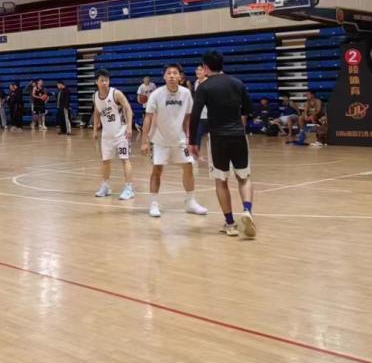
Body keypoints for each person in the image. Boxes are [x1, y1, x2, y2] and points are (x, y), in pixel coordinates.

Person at [190, 52, 256, 238]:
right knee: (244, 177)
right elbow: (249, 109)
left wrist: (193, 141)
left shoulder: (204, 86)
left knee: (221, 181)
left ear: (205, 67)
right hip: (238, 135)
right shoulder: (237, 83)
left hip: (218, 137)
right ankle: (247, 210)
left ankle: (230, 223)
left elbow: (195, 115)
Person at [141, 64, 209, 219]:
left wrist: (190, 139)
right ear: (164, 76)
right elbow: (148, 118)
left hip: (180, 140)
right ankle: (153, 203)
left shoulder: (186, 93)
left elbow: (188, 118)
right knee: (157, 170)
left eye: (175, 73)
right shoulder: (156, 94)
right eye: (168, 73)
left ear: (180, 76)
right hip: (160, 141)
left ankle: (190, 202)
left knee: (188, 167)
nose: (171, 75)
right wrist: (144, 141)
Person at [92, 70, 134, 200]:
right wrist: (95, 129)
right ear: (96, 82)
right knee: (105, 161)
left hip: (121, 133)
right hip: (106, 135)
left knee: (124, 159)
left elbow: (128, 108)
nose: (105, 83)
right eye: (102, 80)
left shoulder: (116, 93)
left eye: (107, 80)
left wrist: (129, 127)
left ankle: (129, 188)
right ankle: (105, 186)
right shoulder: (95, 96)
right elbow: (96, 112)